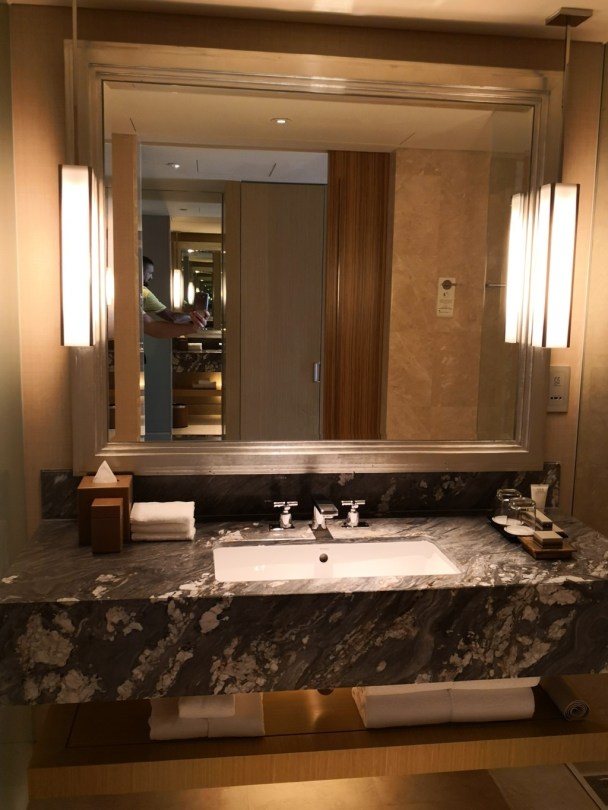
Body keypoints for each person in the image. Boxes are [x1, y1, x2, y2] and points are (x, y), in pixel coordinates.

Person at [142, 255, 210, 337]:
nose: (151, 277)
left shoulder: (144, 293)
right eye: (150, 273)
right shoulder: (141, 293)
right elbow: (151, 327)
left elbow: (171, 317)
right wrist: (193, 327)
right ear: (140, 271)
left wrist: (192, 317)